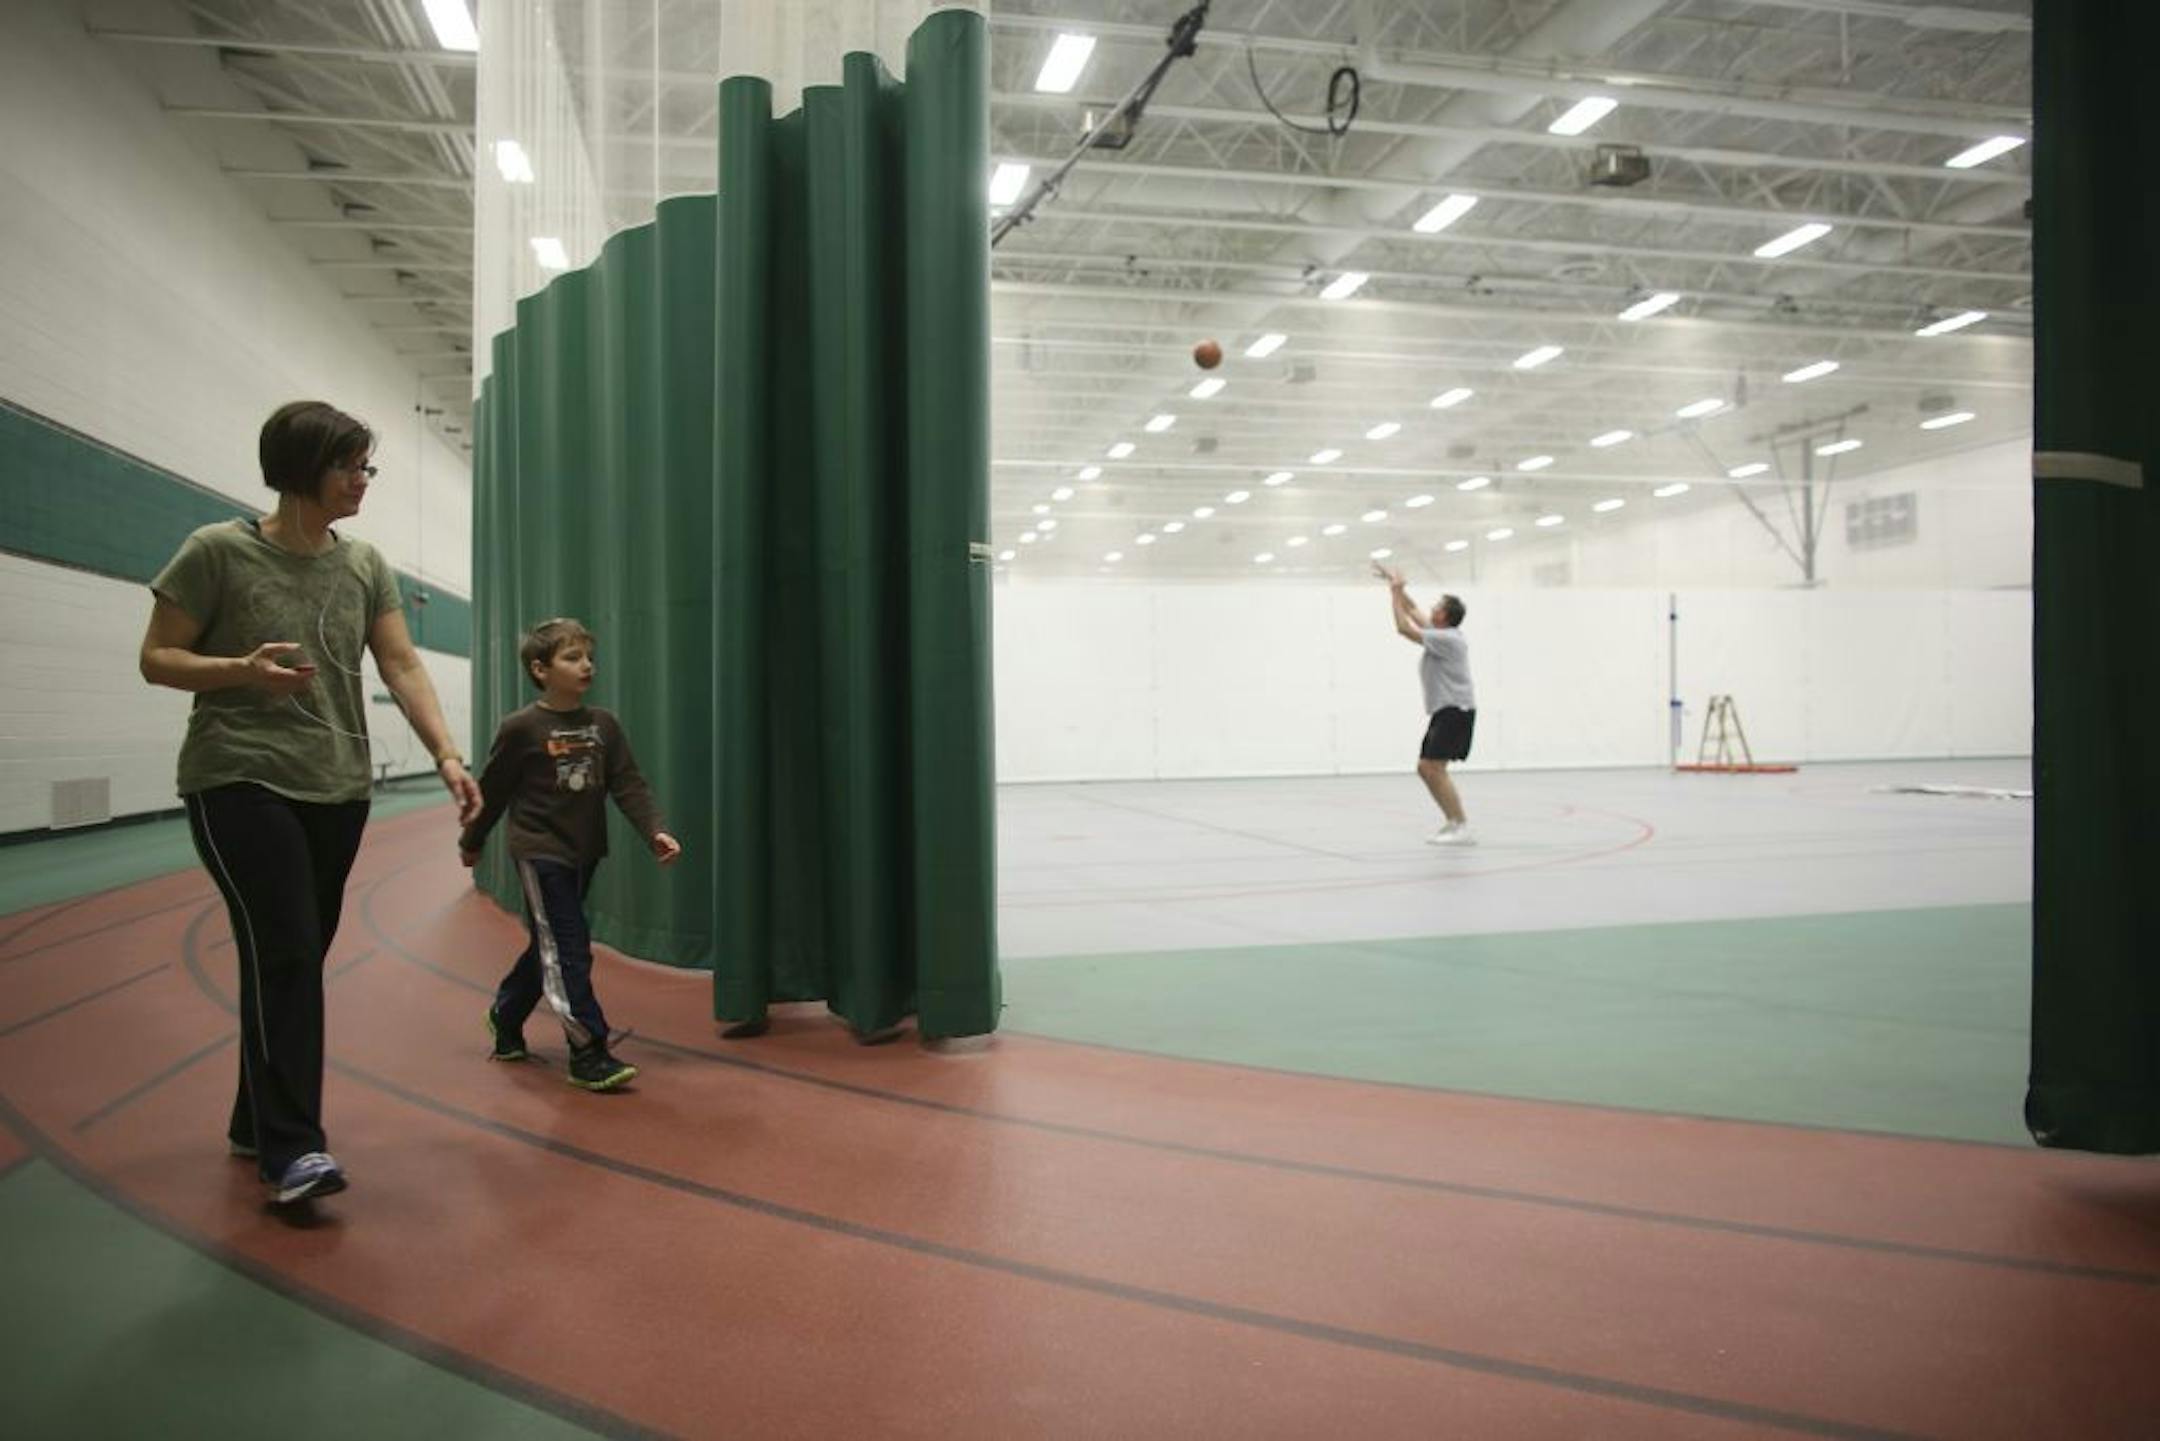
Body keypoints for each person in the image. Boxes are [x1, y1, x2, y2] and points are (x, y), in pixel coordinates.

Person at [140, 400, 481, 1206]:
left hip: (336, 784)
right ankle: (294, 1151)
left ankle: (254, 1115)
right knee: (288, 948)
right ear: (302, 468)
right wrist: (241, 672)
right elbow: (157, 658)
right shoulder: (215, 552)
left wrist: (446, 753)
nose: (363, 481)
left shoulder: (363, 564)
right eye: (349, 466)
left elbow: (400, 665)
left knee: (292, 955)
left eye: (368, 466)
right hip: (238, 777)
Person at [459, 618, 681, 1092]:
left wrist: (655, 832)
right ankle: (587, 1050)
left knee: (551, 946)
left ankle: (506, 1013)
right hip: (539, 852)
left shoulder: (603, 725)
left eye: (588, 657)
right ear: (540, 669)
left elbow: (628, 783)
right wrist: (472, 840)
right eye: (572, 657)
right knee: (569, 947)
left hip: (583, 853)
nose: (587, 666)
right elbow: (492, 792)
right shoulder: (521, 728)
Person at [1376, 562, 1476, 846]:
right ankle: (1454, 822)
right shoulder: (1441, 634)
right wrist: (1396, 587)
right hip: (1446, 710)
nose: (1432, 608)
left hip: (1456, 710)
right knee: (1426, 767)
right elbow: (1412, 610)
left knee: (1432, 767)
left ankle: (1461, 825)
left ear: (1445, 616)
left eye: (1437, 606)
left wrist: (1395, 594)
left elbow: (1403, 628)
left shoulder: (1449, 639)